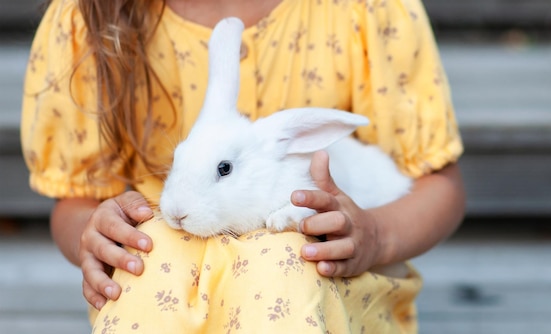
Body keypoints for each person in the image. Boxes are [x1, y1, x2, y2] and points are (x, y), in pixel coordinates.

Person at [21, 0, 465, 332]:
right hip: (169, 292)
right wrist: (95, 234)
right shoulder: (87, 16)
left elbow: (439, 187)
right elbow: (74, 198)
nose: (177, 204)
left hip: (330, 296)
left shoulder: (366, 10)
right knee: (154, 249)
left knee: (287, 256)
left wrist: (376, 236)